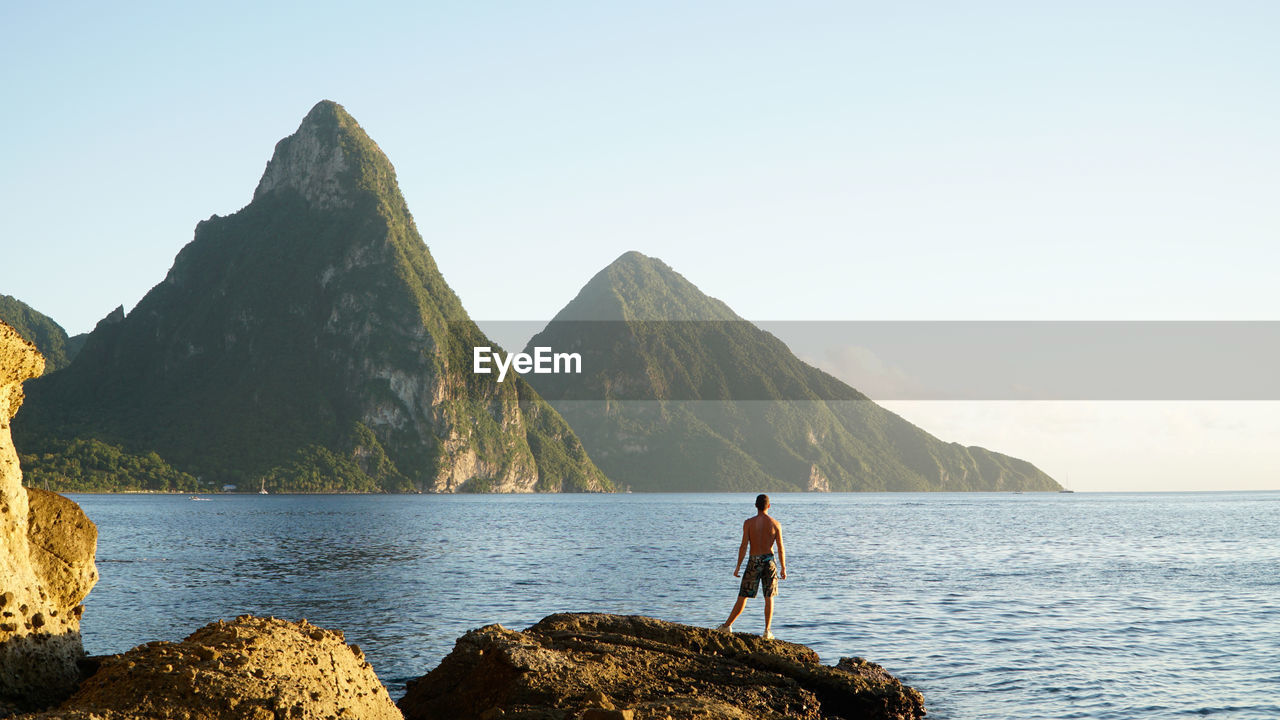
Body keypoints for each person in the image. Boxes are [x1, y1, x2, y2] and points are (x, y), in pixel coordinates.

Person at [717, 493, 787, 639]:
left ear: (756, 505)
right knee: (769, 597)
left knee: (743, 596)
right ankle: (767, 631)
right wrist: (783, 568)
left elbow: (743, 546)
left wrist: (738, 567)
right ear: (769, 506)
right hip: (769, 561)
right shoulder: (776, 524)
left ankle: (727, 626)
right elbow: (780, 548)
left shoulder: (748, 523)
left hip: (753, 561)